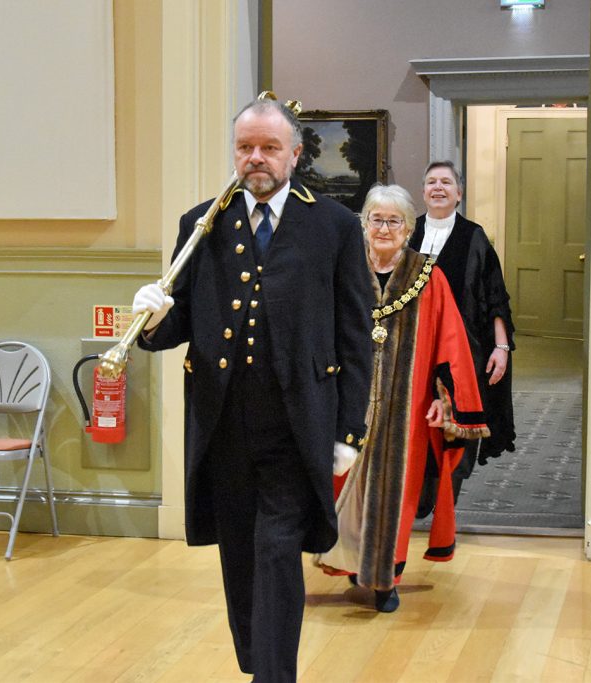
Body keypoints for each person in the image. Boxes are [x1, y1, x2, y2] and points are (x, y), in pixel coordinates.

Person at [131, 97, 374, 682]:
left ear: (295, 153)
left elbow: (355, 336)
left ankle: (273, 676)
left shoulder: (334, 225)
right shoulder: (201, 224)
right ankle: (257, 664)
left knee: (276, 555)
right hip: (224, 426)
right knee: (240, 555)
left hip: (296, 426)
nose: (256, 159)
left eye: (269, 147)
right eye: (245, 148)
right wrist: (154, 317)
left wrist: (348, 429)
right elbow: (179, 323)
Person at [314, 184, 489, 613]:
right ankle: (354, 562)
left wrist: (443, 398)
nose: (385, 228)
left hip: (405, 406)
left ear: (409, 227)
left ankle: (383, 579)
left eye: (394, 221)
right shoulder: (344, 269)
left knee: (395, 489)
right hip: (346, 400)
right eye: (377, 219)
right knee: (343, 483)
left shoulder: (429, 277)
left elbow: (451, 340)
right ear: (364, 224)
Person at [411, 160, 517, 509]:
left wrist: (501, 347)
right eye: (431, 182)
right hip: (415, 351)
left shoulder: (474, 237)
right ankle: (419, 501)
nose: (437, 188)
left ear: (459, 193)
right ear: (423, 192)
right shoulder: (408, 234)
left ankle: (446, 504)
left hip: (463, 351)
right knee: (420, 424)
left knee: (458, 425)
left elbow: (495, 296)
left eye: (446, 182)